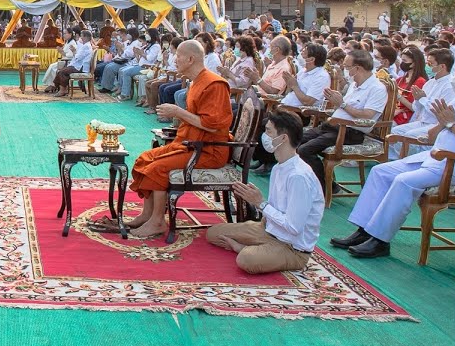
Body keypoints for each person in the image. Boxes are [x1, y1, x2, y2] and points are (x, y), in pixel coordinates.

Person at [114, 40, 232, 238]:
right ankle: (148, 214)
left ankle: (158, 222)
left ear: (190, 59)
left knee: (156, 168)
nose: (174, 60)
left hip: (209, 150)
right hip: (189, 144)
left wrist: (178, 112)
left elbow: (211, 125)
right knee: (144, 159)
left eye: (177, 56)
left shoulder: (214, 84)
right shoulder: (196, 82)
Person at [331, 97, 455, 258]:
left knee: (404, 181)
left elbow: (452, 126)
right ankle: (364, 231)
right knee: (380, 172)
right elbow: (432, 137)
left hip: (453, 165)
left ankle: (380, 240)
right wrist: (442, 123)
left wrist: (452, 124)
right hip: (433, 158)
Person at [207, 111, 324, 273]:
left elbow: (294, 227)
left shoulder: (299, 176)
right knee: (213, 233)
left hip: (292, 247)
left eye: (269, 131)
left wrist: (260, 203)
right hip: (268, 230)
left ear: (283, 138)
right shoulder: (278, 167)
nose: (264, 136)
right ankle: (259, 247)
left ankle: (246, 249)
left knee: (246, 259)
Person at [296, 48, 389, 192]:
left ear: (357, 68)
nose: (343, 69)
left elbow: (368, 115)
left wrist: (342, 104)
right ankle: (319, 181)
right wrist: (335, 100)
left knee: (305, 150)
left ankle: (326, 187)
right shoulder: (354, 84)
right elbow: (343, 107)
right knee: (294, 140)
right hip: (332, 126)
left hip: (349, 132)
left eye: (346, 67)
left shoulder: (377, 88)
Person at [52, 30, 95, 95]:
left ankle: (63, 90)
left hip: (80, 68)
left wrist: (74, 51)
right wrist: (74, 51)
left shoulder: (86, 46)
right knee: (62, 71)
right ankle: (63, 88)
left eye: (82, 36)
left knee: (62, 72)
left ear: (86, 37)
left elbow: (78, 57)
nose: (81, 38)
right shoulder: (86, 45)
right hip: (78, 65)